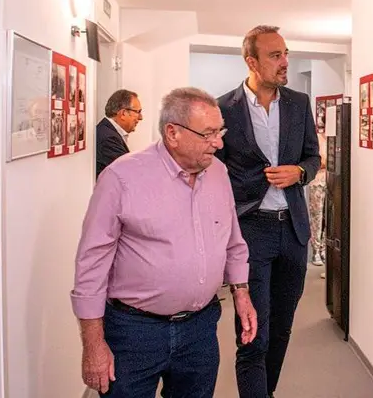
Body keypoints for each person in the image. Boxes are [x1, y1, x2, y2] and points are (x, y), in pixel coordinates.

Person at [71, 87, 258, 397]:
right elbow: (91, 264)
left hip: (200, 329)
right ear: (173, 133)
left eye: (220, 130)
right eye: (208, 133)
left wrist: (241, 291)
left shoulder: (219, 173)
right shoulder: (122, 178)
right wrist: (93, 344)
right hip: (134, 333)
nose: (219, 142)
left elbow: (232, 240)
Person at [215, 25, 321, 398]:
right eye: (275, 55)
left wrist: (300, 172)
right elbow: (214, 171)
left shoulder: (297, 103)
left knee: (281, 329)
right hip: (250, 231)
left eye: (286, 53)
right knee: (252, 333)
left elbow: (313, 156)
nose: (285, 62)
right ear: (252, 62)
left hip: (292, 231)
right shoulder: (223, 108)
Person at [96, 89, 143, 179]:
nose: (141, 117)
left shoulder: (109, 132)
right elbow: (130, 173)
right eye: (138, 112)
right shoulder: (108, 139)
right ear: (123, 113)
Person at [309, 131, 327, 275]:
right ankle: (316, 249)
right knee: (317, 217)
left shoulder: (334, 138)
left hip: (331, 182)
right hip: (317, 183)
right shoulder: (318, 138)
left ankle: (324, 249)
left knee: (328, 218)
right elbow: (315, 161)